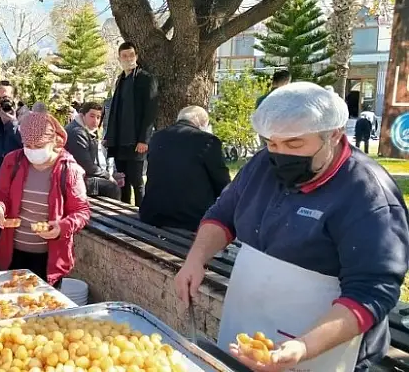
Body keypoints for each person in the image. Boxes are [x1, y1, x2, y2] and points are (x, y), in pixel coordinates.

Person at [173, 82, 409, 371]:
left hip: (326, 346)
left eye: (294, 144)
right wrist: (196, 259)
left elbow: (372, 291)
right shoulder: (263, 164)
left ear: (334, 135)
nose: (280, 154)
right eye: (272, 143)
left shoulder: (368, 195)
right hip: (252, 322)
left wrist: (303, 346)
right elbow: (222, 215)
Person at [0, 112, 90, 287]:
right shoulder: (13, 161)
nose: (33, 151)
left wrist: (62, 227)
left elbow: (82, 211)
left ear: (54, 141)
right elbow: (1, 194)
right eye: (28, 145)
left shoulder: (69, 169)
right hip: (13, 253)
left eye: (39, 145)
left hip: (48, 258)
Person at [139, 106, 230, 232]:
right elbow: (222, 183)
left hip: (153, 214)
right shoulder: (208, 141)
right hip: (191, 219)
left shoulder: (157, 137)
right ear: (203, 123)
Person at [103, 42, 158, 206]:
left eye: (131, 55)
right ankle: (124, 213)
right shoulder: (120, 80)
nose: (128, 59)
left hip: (136, 141)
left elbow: (150, 111)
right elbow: (115, 111)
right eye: (124, 56)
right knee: (122, 180)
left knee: (136, 180)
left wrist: (144, 139)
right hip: (119, 140)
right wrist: (109, 136)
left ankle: (141, 214)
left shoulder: (146, 79)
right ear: (119, 58)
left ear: (137, 57)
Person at [65, 102, 120, 200]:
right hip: (74, 180)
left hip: (78, 176)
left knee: (114, 182)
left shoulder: (82, 129)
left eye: (98, 117)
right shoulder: (78, 132)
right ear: (82, 115)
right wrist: (108, 176)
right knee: (113, 187)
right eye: (92, 116)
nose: (95, 121)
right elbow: (86, 166)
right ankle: (114, 215)